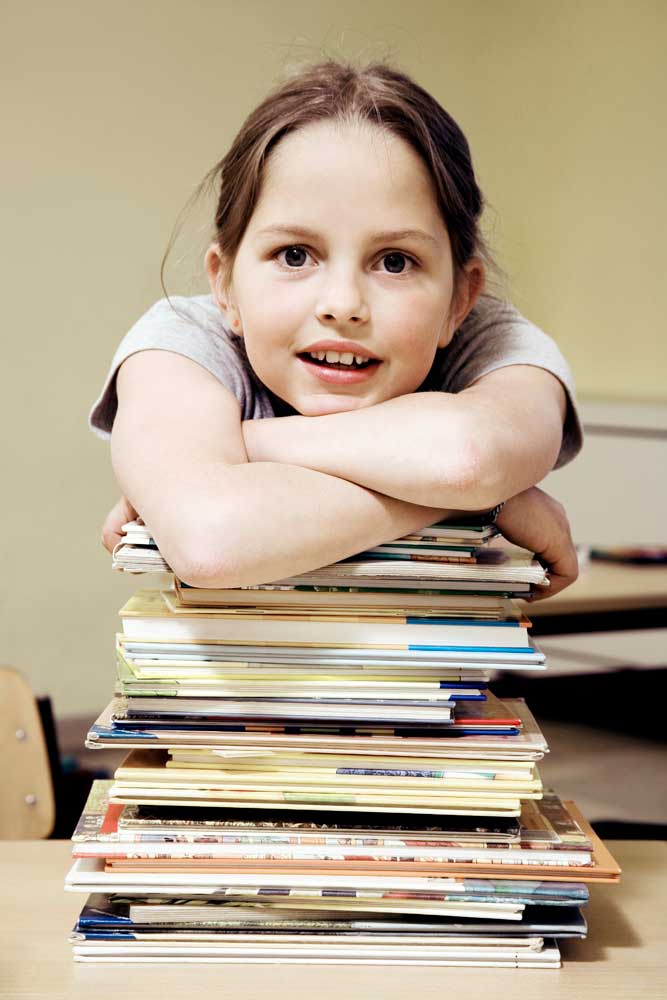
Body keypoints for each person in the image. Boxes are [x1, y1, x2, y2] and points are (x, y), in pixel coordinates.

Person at [91, 60, 581, 598]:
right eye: (295, 254)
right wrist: (493, 499)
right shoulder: (182, 339)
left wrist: (244, 445)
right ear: (224, 284)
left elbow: (469, 458)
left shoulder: (497, 341)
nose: (343, 305)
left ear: (459, 300)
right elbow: (212, 542)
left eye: (394, 261)